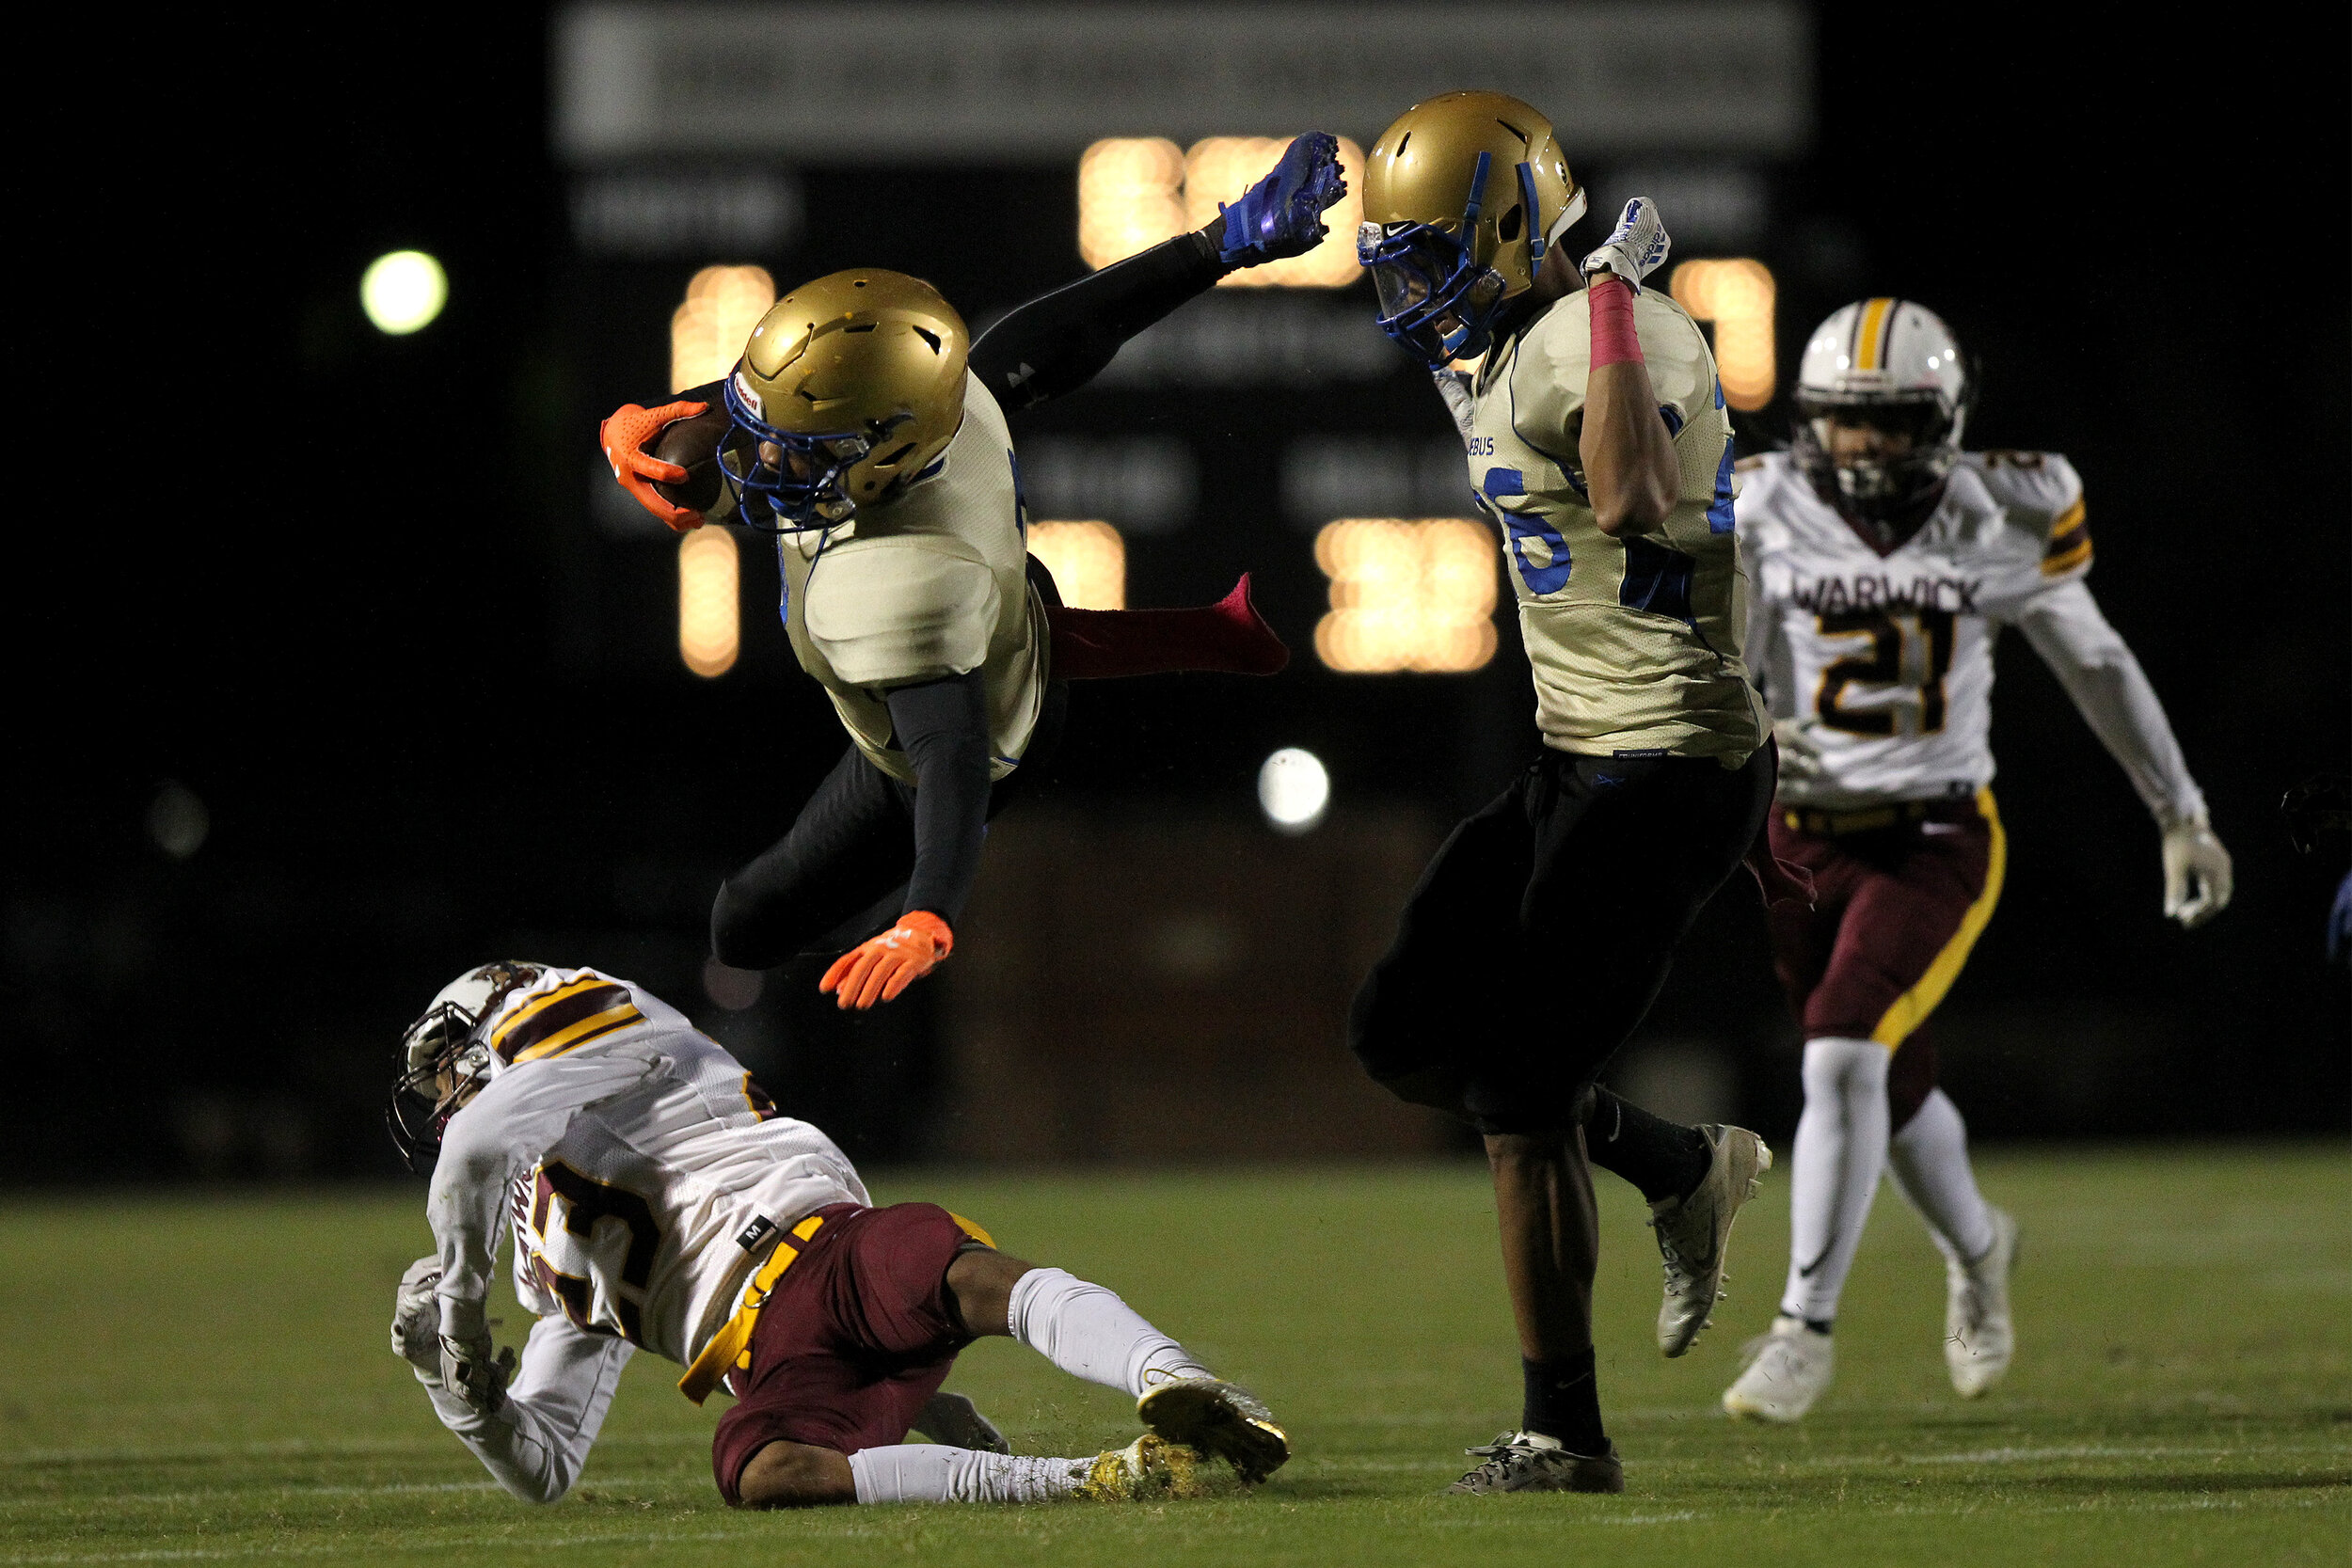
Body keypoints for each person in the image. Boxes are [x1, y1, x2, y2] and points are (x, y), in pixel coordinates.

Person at [594, 135, 1348, 1010]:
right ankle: (1123, 633)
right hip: (1000, 600)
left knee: (745, 926)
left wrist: (929, 911)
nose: (754, 457)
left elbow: (951, 762)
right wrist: (1219, 243)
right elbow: (1068, 331)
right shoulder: (946, 403)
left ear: (883, 458)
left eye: (793, 449)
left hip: (984, 723)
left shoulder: (902, 583)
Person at [1348, 91, 1785, 1495]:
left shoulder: (1626, 334)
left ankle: (1565, 1433)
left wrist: (1606, 303)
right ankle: (1675, 1163)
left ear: (1518, 232)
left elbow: (1634, 493)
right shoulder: (1497, 336)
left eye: (1431, 250)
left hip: (1670, 762)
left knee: (1521, 1095)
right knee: (1404, 1033)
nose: (1410, 283)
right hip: (1579, 755)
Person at [1723, 298, 2235, 1421]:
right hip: (1797, 841)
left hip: (1934, 836)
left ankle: (1804, 1327)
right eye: (1845, 423)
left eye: (1893, 421)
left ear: (1944, 420)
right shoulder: (1763, 506)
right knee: (1889, 1081)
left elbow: (2098, 664)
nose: (1865, 447)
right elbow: (1735, 672)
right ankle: (1980, 1248)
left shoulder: (2003, 511)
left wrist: (2178, 809)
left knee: (1840, 1056)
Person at [385, 961, 1290, 1508]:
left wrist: (461, 1307)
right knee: (759, 1471)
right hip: (774, 1360)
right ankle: (1094, 1476)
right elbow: (542, 1466)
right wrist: (460, 1394)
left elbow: (473, 1142)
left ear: (497, 1019)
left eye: (446, 1068)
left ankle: (1179, 1377)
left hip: (819, 1246)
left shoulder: (589, 1017)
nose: (443, 1097)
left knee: (956, 1273)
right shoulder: (540, 1248)